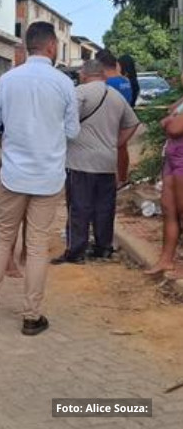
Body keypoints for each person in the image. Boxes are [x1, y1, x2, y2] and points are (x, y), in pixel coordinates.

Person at [0, 22, 79, 337]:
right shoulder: (65, 84)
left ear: (28, 46)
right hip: (49, 177)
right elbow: (72, 132)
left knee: (1, 239)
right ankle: (32, 316)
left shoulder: (8, 80)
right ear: (52, 47)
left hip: (13, 175)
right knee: (38, 245)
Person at [52, 60, 140, 265]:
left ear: (84, 74)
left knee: (79, 207)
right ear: (102, 75)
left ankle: (76, 250)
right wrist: (117, 143)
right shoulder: (116, 96)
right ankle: (103, 247)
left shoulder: (79, 93)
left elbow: (67, 122)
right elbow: (132, 123)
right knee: (104, 207)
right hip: (107, 161)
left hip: (81, 161)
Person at [145, 85, 183, 277]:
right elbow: (170, 113)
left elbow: (174, 127)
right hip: (172, 158)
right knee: (169, 209)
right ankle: (166, 259)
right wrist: (171, 118)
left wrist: (170, 121)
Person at [117, 54, 140, 187]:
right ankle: (123, 176)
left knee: (120, 147)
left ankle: (121, 177)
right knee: (122, 147)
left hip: (122, 117)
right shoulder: (133, 81)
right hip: (128, 116)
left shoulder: (124, 81)